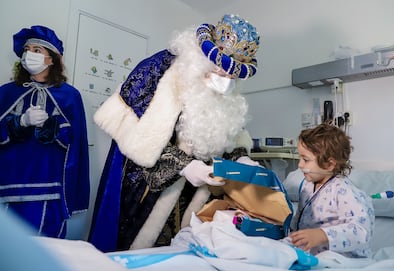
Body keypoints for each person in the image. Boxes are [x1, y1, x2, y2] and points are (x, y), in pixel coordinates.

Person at [88, 14, 261, 252]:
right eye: (220, 69)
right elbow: (137, 133)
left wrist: (241, 158)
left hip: (193, 195)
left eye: (232, 74)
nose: (225, 78)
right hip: (147, 189)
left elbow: (229, 133)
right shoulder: (159, 69)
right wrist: (186, 166)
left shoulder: (227, 90)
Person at [0, 25, 90, 238]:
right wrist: (20, 121)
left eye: (37, 50)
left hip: (49, 187)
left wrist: (51, 126)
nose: (29, 54)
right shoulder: (6, 92)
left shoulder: (69, 96)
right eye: (27, 49)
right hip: (7, 185)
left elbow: (75, 143)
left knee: (44, 250)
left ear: (52, 59)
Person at [288, 123, 374, 258]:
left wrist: (322, 235)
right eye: (300, 158)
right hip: (310, 254)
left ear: (329, 164)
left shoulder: (343, 191)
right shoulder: (307, 186)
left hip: (343, 258)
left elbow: (361, 231)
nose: (300, 165)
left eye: (305, 159)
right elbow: (300, 219)